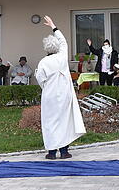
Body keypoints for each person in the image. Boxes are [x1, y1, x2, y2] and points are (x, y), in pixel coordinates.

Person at [36, 15, 86, 160]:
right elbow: (64, 41)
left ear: (46, 48)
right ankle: (64, 151)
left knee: (49, 121)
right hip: (64, 94)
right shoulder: (62, 56)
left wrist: (46, 87)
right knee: (64, 120)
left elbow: (41, 79)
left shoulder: (43, 62)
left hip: (49, 95)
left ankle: (51, 152)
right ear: (57, 47)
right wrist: (53, 26)